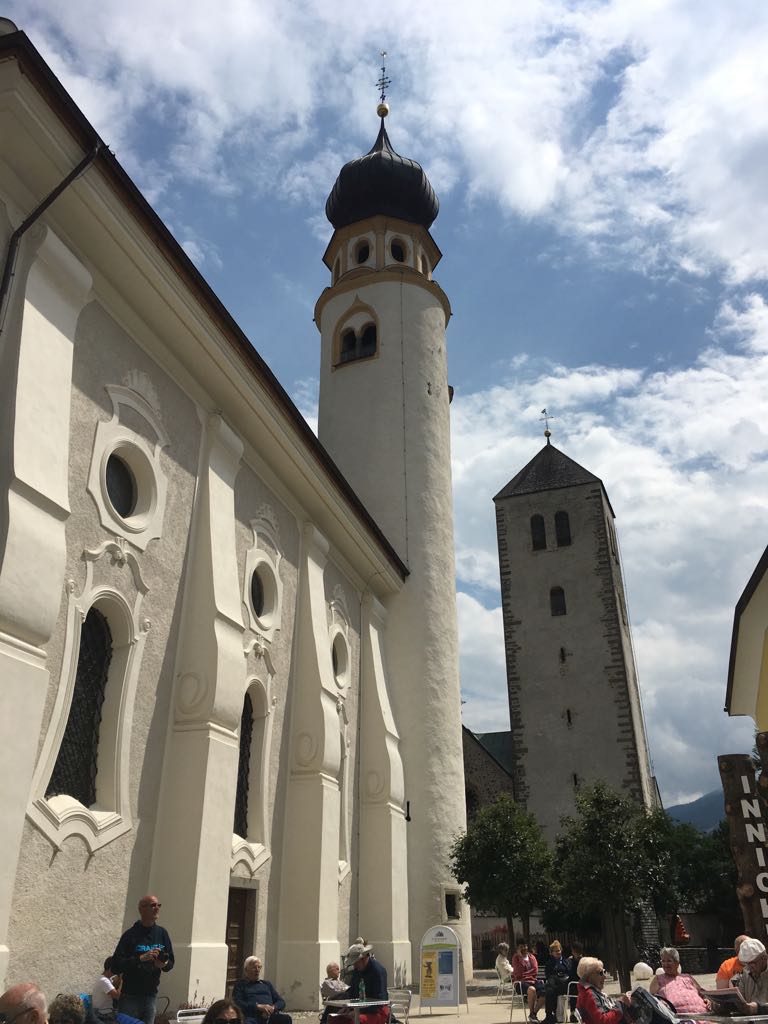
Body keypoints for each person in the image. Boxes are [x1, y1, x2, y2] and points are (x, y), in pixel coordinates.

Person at [112, 895, 174, 1024]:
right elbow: (116, 965)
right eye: (153, 905)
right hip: (130, 997)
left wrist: (163, 964)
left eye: (158, 905)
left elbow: (171, 962)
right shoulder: (130, 935)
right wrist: (140, 958)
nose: (157, 908)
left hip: (151, 996)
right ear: (141, 909)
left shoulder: (162, 933)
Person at [334, 942, 389, 1024]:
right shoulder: (357, 971)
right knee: (336, 1019)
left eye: (356, 962)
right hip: (358, 1009)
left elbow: (380, 1002)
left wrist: (358, 1011)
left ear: (364, 958)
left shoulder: (378, 971)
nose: (354, 966)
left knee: (353, 1021)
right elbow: (352, 993)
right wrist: (347, 1008)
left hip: (377, 1012)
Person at [649, 947, 708, 1015]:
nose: (665, 964)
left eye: (669, 961)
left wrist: (707, 999)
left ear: (677, 963)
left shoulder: (687, 977)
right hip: (677, 1016)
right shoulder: (658, 979)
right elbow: (652, 1000)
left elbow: (702, 993)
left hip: (701, 1013)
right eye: (663, 961)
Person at [232, 956, 291, 1024]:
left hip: (270, 1016)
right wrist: (258, 1007)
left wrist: (272, 1008)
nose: (257, 970)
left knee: (286, 1019)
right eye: (254, 967)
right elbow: (237, 1003)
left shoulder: (266, 984)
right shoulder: (240, 985)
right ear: (246, 970)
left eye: (259, 967)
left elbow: (281, 1001)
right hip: (252, 1017)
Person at [576, 958, 629, 1024]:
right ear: (589, 976)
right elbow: (602, 1021)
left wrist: (620, 1003)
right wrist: (620, 1004)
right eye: (600, 973)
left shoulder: (589, 991)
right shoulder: (589, 995)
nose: (605, 977)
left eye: (604, 971)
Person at [511, 940, 544, 1022]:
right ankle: (532, 1014)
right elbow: (518, 973)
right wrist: (521, 958)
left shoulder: (532, 957)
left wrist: (525, 974)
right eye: (521, 947)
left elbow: (535, 970)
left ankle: (533, 1014)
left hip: (533, 981)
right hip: (520, 983)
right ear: (517, 948)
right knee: (532, 989)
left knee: (546, 991)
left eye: (525, 946)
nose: (524, 948)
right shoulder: (516, 958)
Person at [737, 938, 768, 1013]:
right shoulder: (746, 973)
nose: (749, 967)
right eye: (746, 963)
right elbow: (739, 1001)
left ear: (764, 958)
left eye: (752, 963)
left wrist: (758, 1008)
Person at [544, 941, 570, 1024]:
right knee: (549, 991)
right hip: (553, 984)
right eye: (556, 951)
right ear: (551, 953)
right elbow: (548, 975)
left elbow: (570, 973)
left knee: (552, 990)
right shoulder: (549, 963)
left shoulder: (567, 961)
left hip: (564, 984)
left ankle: (553, 1015)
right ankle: (549, 1015)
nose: (558, 952)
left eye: (559, 950)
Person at [93, 958, 122, 1022]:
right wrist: (122, 980)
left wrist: (118, 978)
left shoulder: (103, 978)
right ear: (110, 969)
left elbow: (113, 986)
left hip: (101, 1012)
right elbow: (117, 996)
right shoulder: (104, 981)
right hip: (104, 1015)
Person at [567, 944, 583, 1020]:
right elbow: (569, 972)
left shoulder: (584, 960)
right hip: (573, 982)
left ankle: (579, 1012)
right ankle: (573, 1013)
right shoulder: (570, 960)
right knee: (573, 989)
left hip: (582, 982)